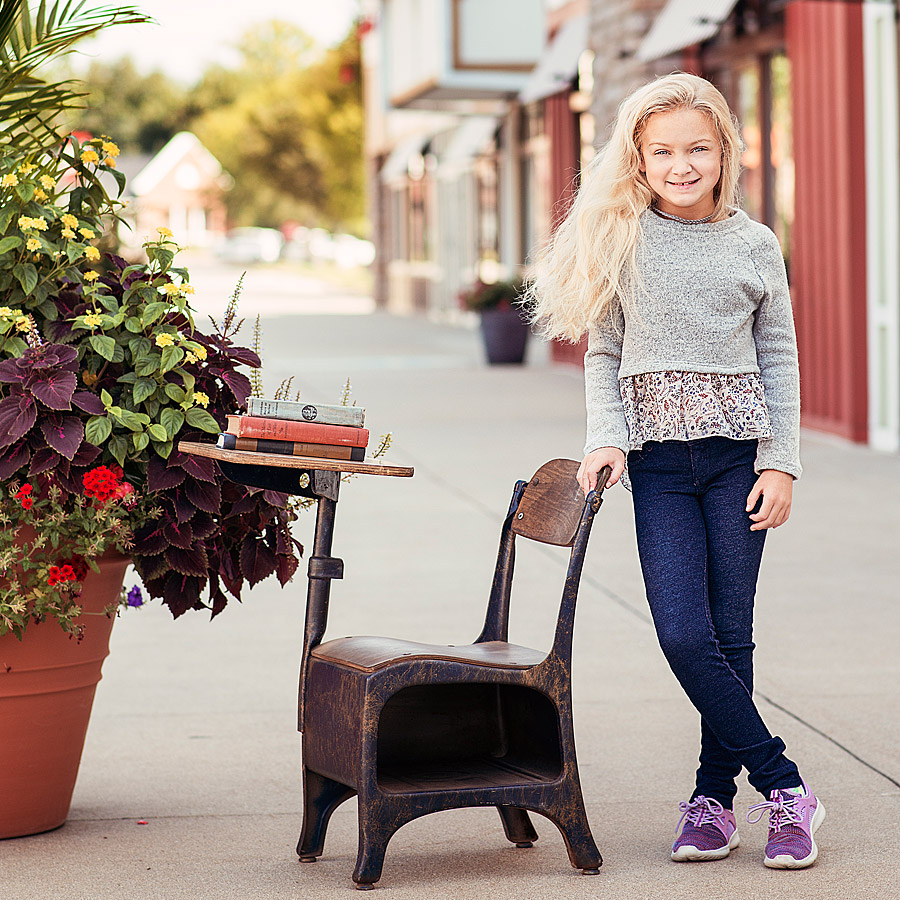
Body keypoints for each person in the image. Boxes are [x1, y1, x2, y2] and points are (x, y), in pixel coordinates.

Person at [528, 72, 824, 869]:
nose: (681, 164)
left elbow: (779, 358)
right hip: (658, 466)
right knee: (685, 634)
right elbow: (605, 351)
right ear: (640, 158)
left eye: (697, 148)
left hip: (738, 462)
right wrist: (607, 438)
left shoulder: (754, 245)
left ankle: (713, 803)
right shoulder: (622, 238)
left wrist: (782, 464)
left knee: (732, 635)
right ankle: (786, 782)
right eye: (663, 151)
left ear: (725, 151)